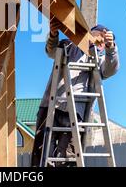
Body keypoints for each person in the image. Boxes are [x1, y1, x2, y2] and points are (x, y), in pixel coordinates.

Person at [31, 20, 120, 167]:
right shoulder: (69, 45)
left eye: (104, 41)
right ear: (89, 35)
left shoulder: (100, 59)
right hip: (51, 106)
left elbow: (111, 68)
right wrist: (53, 35)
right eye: (98, 36)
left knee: (68, 157)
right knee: (41, 154)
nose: (100, 41)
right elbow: (51, 51)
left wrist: (111, 48)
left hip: (76, 112)